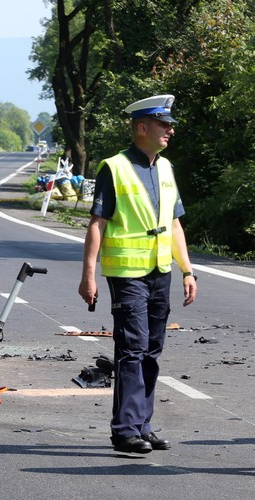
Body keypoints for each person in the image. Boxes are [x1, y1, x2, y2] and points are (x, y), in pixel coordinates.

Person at [78, 94, 198, 454]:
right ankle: (125, 430)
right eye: (164, 125)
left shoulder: (165, 168)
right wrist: (88, 275)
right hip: (127, 273)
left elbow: (174, 224)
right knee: (132, 348)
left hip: (161, 270)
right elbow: (97, 223)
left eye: (170, 124)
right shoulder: (113, 168)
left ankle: (142, 425)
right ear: (142, 127)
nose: (170, 130)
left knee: (152, 350)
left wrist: (188, 270)